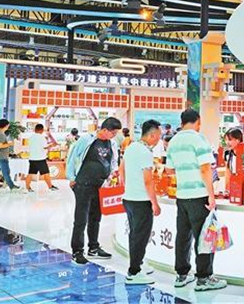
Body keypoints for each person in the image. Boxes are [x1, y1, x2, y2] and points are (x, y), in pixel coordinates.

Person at [165, 109, 225, 292]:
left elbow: (169, 170)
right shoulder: (199, 139)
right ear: (198, 122)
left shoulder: (173, 141)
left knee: (183, 236)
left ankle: (182, 275)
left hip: (182, 196)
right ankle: (204, 278)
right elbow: (206, 169)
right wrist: (211, 195)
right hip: (200, 196)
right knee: (204, 237)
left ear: (182, 122)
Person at [66, 117, 121, 265]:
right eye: (113, 133)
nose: (114, 136)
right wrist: (71, 177)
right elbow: (72, 157)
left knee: (96, 217)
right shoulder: (86, 139)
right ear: (105, 130)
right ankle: (77, 251)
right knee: (81, 219)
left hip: (101, 185)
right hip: (83, 184)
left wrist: (113, 173)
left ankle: (93, 247)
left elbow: (113, 161)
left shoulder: (112, 143)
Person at [120, 119, 163, 285]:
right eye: (158, 135)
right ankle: (134, 272)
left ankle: (138, 263)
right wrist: (154, 203)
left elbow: (121, 170)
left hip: (129, 198)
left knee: (135, 235)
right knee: (140, 237)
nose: (159, 138)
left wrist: (128, 187)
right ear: (152, 135)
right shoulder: (145, 152)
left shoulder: (131, 147)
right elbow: (148, 181)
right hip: (141, 201)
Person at [0, 119, 21, 193]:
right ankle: (12, 187)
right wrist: (10, 144)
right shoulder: (1, 134)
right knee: (6, 172)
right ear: (5, 125)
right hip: (1, 156)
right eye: (8, 125)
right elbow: (0, 145)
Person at [26, 124, 59, 192]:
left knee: (30, 173)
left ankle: (28, 187)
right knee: (46, 173)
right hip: (40, 159)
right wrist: (52, 145)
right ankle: (50, 186)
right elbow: (44, 147)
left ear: (35, 129)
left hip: (32, 158)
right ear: (42, 130)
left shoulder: (31, 137)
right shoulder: (42, 137)